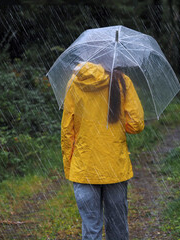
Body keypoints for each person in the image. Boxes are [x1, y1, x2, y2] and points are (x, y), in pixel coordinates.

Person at [61, 62, 144, 240]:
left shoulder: (74, 82)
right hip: (115, 167)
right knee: (117, 229)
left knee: (91, 230)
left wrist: (70, 167)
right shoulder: (122, 81)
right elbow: (136, 124)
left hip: (84, 168)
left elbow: (67, 131)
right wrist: (120, 124)